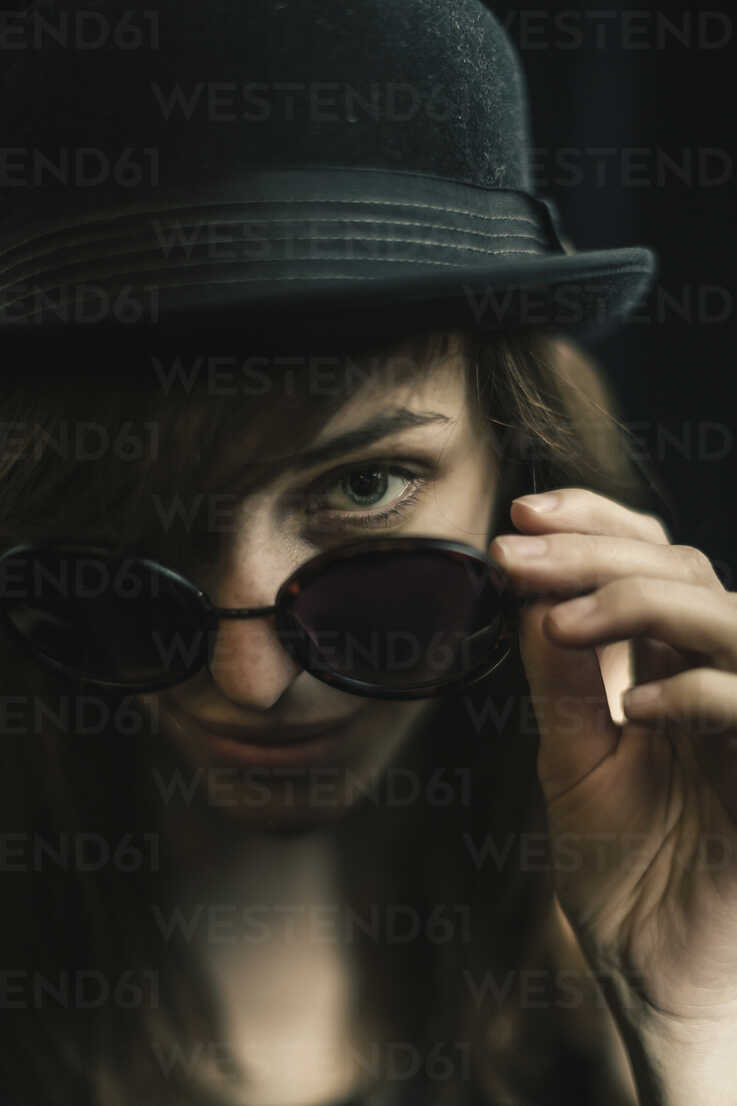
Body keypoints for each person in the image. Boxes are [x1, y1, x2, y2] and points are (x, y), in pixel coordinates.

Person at [1, 3, 735, 1106]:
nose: (250, 680)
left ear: (522, 469)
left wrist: (693, 1028)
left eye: (362, 484)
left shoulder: (661, 926)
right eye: (141, 511)